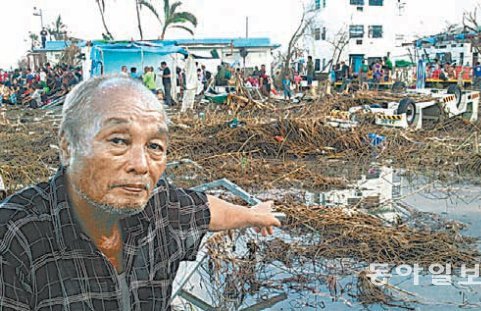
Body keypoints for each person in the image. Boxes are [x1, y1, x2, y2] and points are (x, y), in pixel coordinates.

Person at [0, 75, 280, 310]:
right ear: (67, 146)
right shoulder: (15, 237)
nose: (141, 165)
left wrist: (253, 215)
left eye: (155, 146)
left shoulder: (160, 206)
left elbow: (209, 209)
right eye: (119, 140)